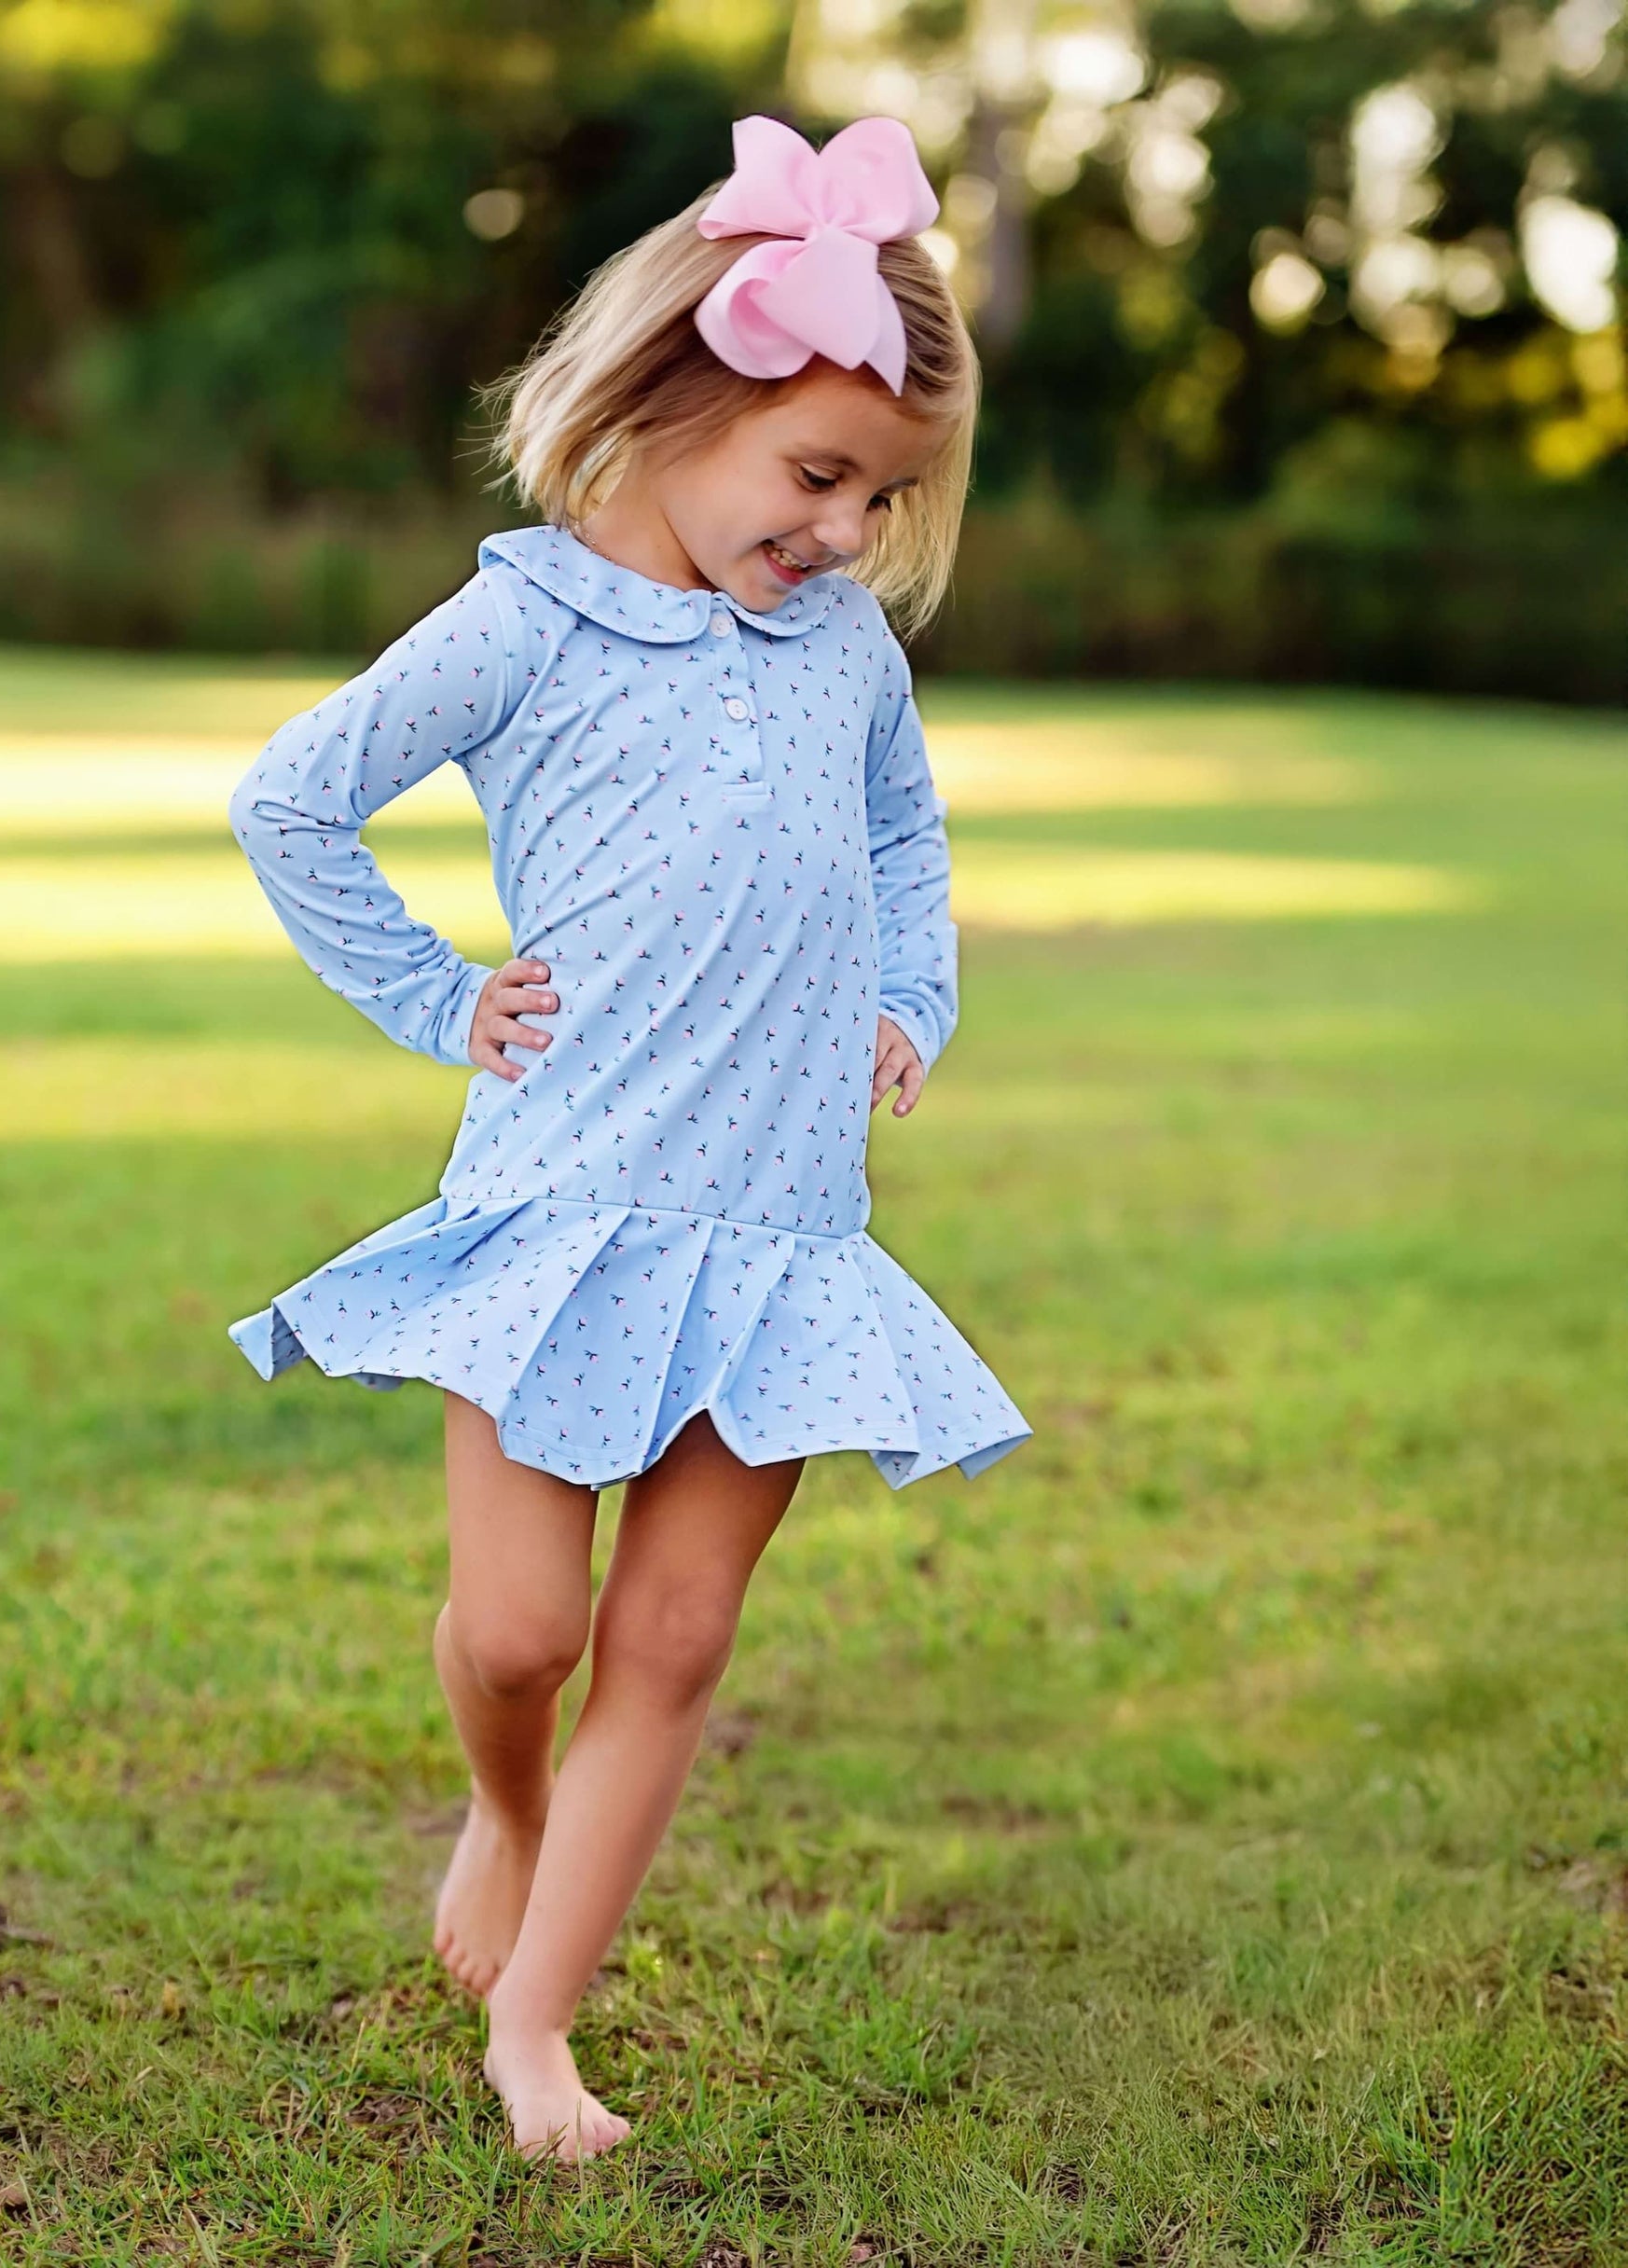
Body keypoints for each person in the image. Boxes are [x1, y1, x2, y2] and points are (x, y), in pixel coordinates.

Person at [225, 114, 1030, 2164]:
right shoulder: (523, 623)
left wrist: (907, 995)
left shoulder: (844, 647)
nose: (847, 530)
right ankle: (503, 1805)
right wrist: (436, 998)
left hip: (777, 1223)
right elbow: (292, 801)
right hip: (562, 1201)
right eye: (817, 474)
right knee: (521, 1631)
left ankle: (537, 2030)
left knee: (672, 1638)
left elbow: (899, 833)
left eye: (882, 495)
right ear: (673, 401)